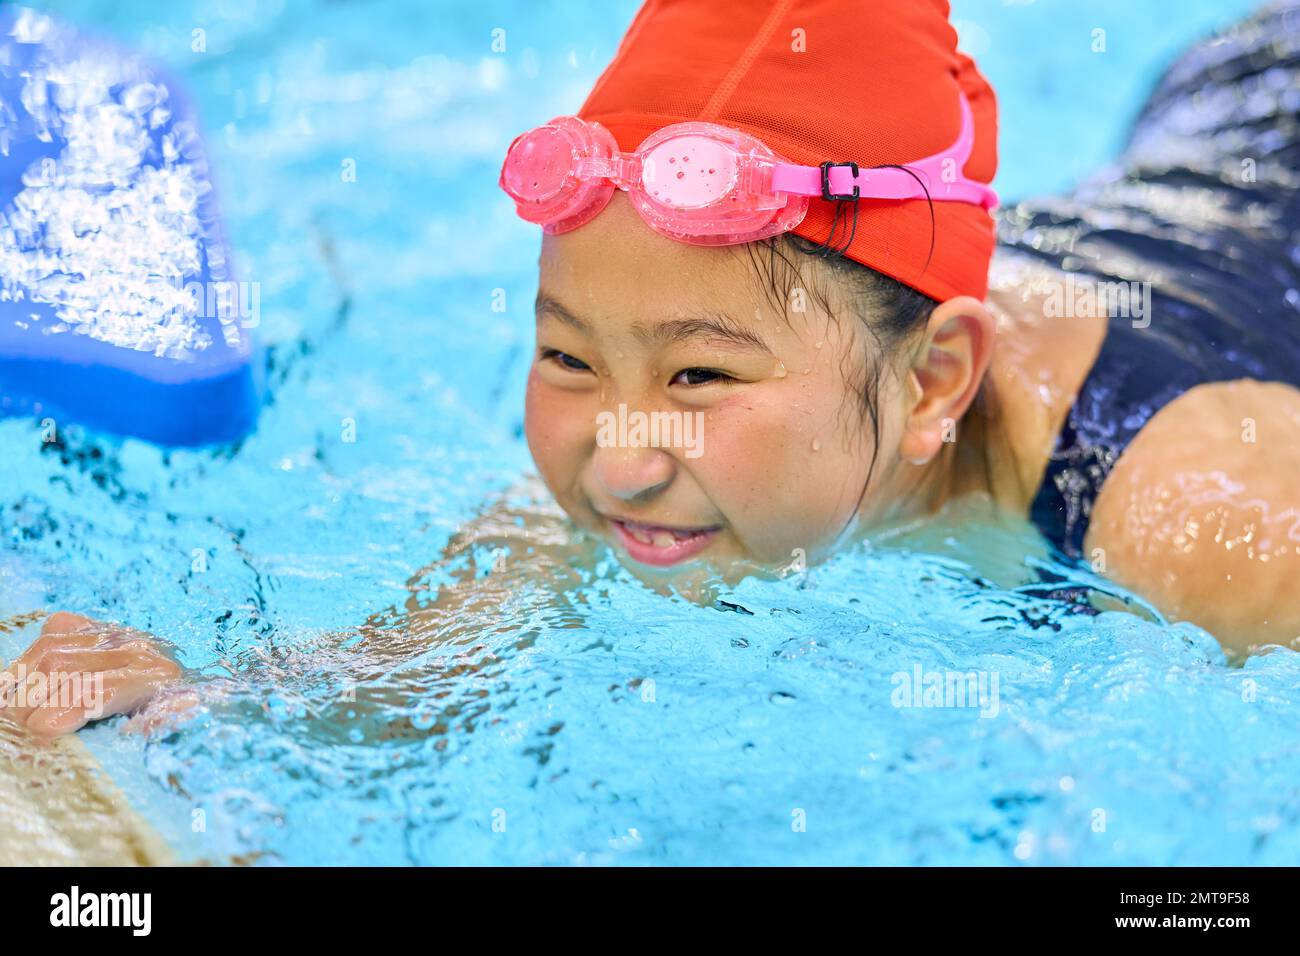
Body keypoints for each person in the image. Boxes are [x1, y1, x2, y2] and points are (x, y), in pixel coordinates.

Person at [6, 0, 1298, 739]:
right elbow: (417, 676)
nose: (618, 453)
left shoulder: (1210, 527)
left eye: (695, 383)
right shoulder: (642, 483)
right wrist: (213, 706)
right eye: (569, 355)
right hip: (1200, 129)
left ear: (933, 385)